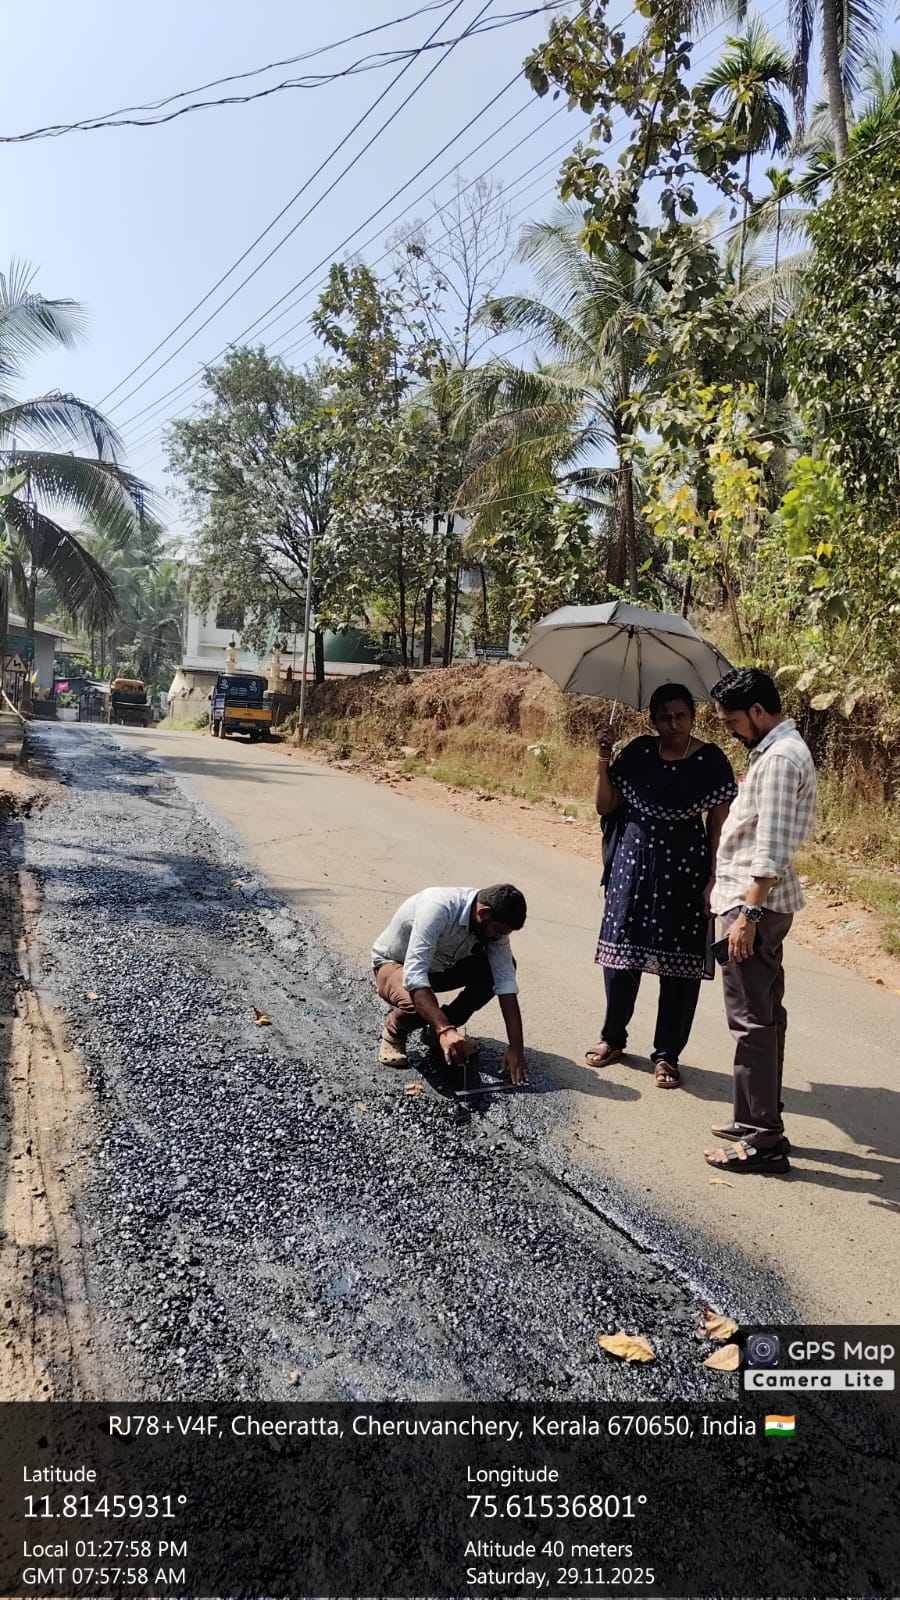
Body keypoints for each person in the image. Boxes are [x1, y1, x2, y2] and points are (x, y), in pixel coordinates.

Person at [585, 684, 737, 1087]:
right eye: (665, 717)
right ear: (652, 720)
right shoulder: (638, 753)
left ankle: (667, 1055)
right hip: (631, 870)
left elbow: (719, 825)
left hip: (686, 874)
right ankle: (612, 1038)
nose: (673, 724)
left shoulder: (710, 761)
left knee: (680, 969)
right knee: (620, 960)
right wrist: (603, 759)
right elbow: (604, 805)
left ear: (693, 717)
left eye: (681, 715)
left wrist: (715, 878)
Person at [704, 668, 816, 1175]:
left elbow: (770, 846)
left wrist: (746, 915)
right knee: (766, 1013)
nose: (729, 730)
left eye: (732, 721)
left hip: (754, 906)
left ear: (757, 711)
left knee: (751, 1021)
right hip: (761, 902)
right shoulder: (776, 752)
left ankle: (762, 1140)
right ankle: (755, 1115)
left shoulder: (779, 760)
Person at [372, 884, 528, 1084]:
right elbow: (415, 976)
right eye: (497, 931)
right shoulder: (438, 907)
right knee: (419, 1007)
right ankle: (394, 1031)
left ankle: (434, 1035)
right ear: (483, 913)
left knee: (496, 970)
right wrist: (444, 1029)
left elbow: (505, 982)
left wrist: (516, 1048)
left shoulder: (491, 926)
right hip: (395, 965)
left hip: (441, 969)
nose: (498, 937)